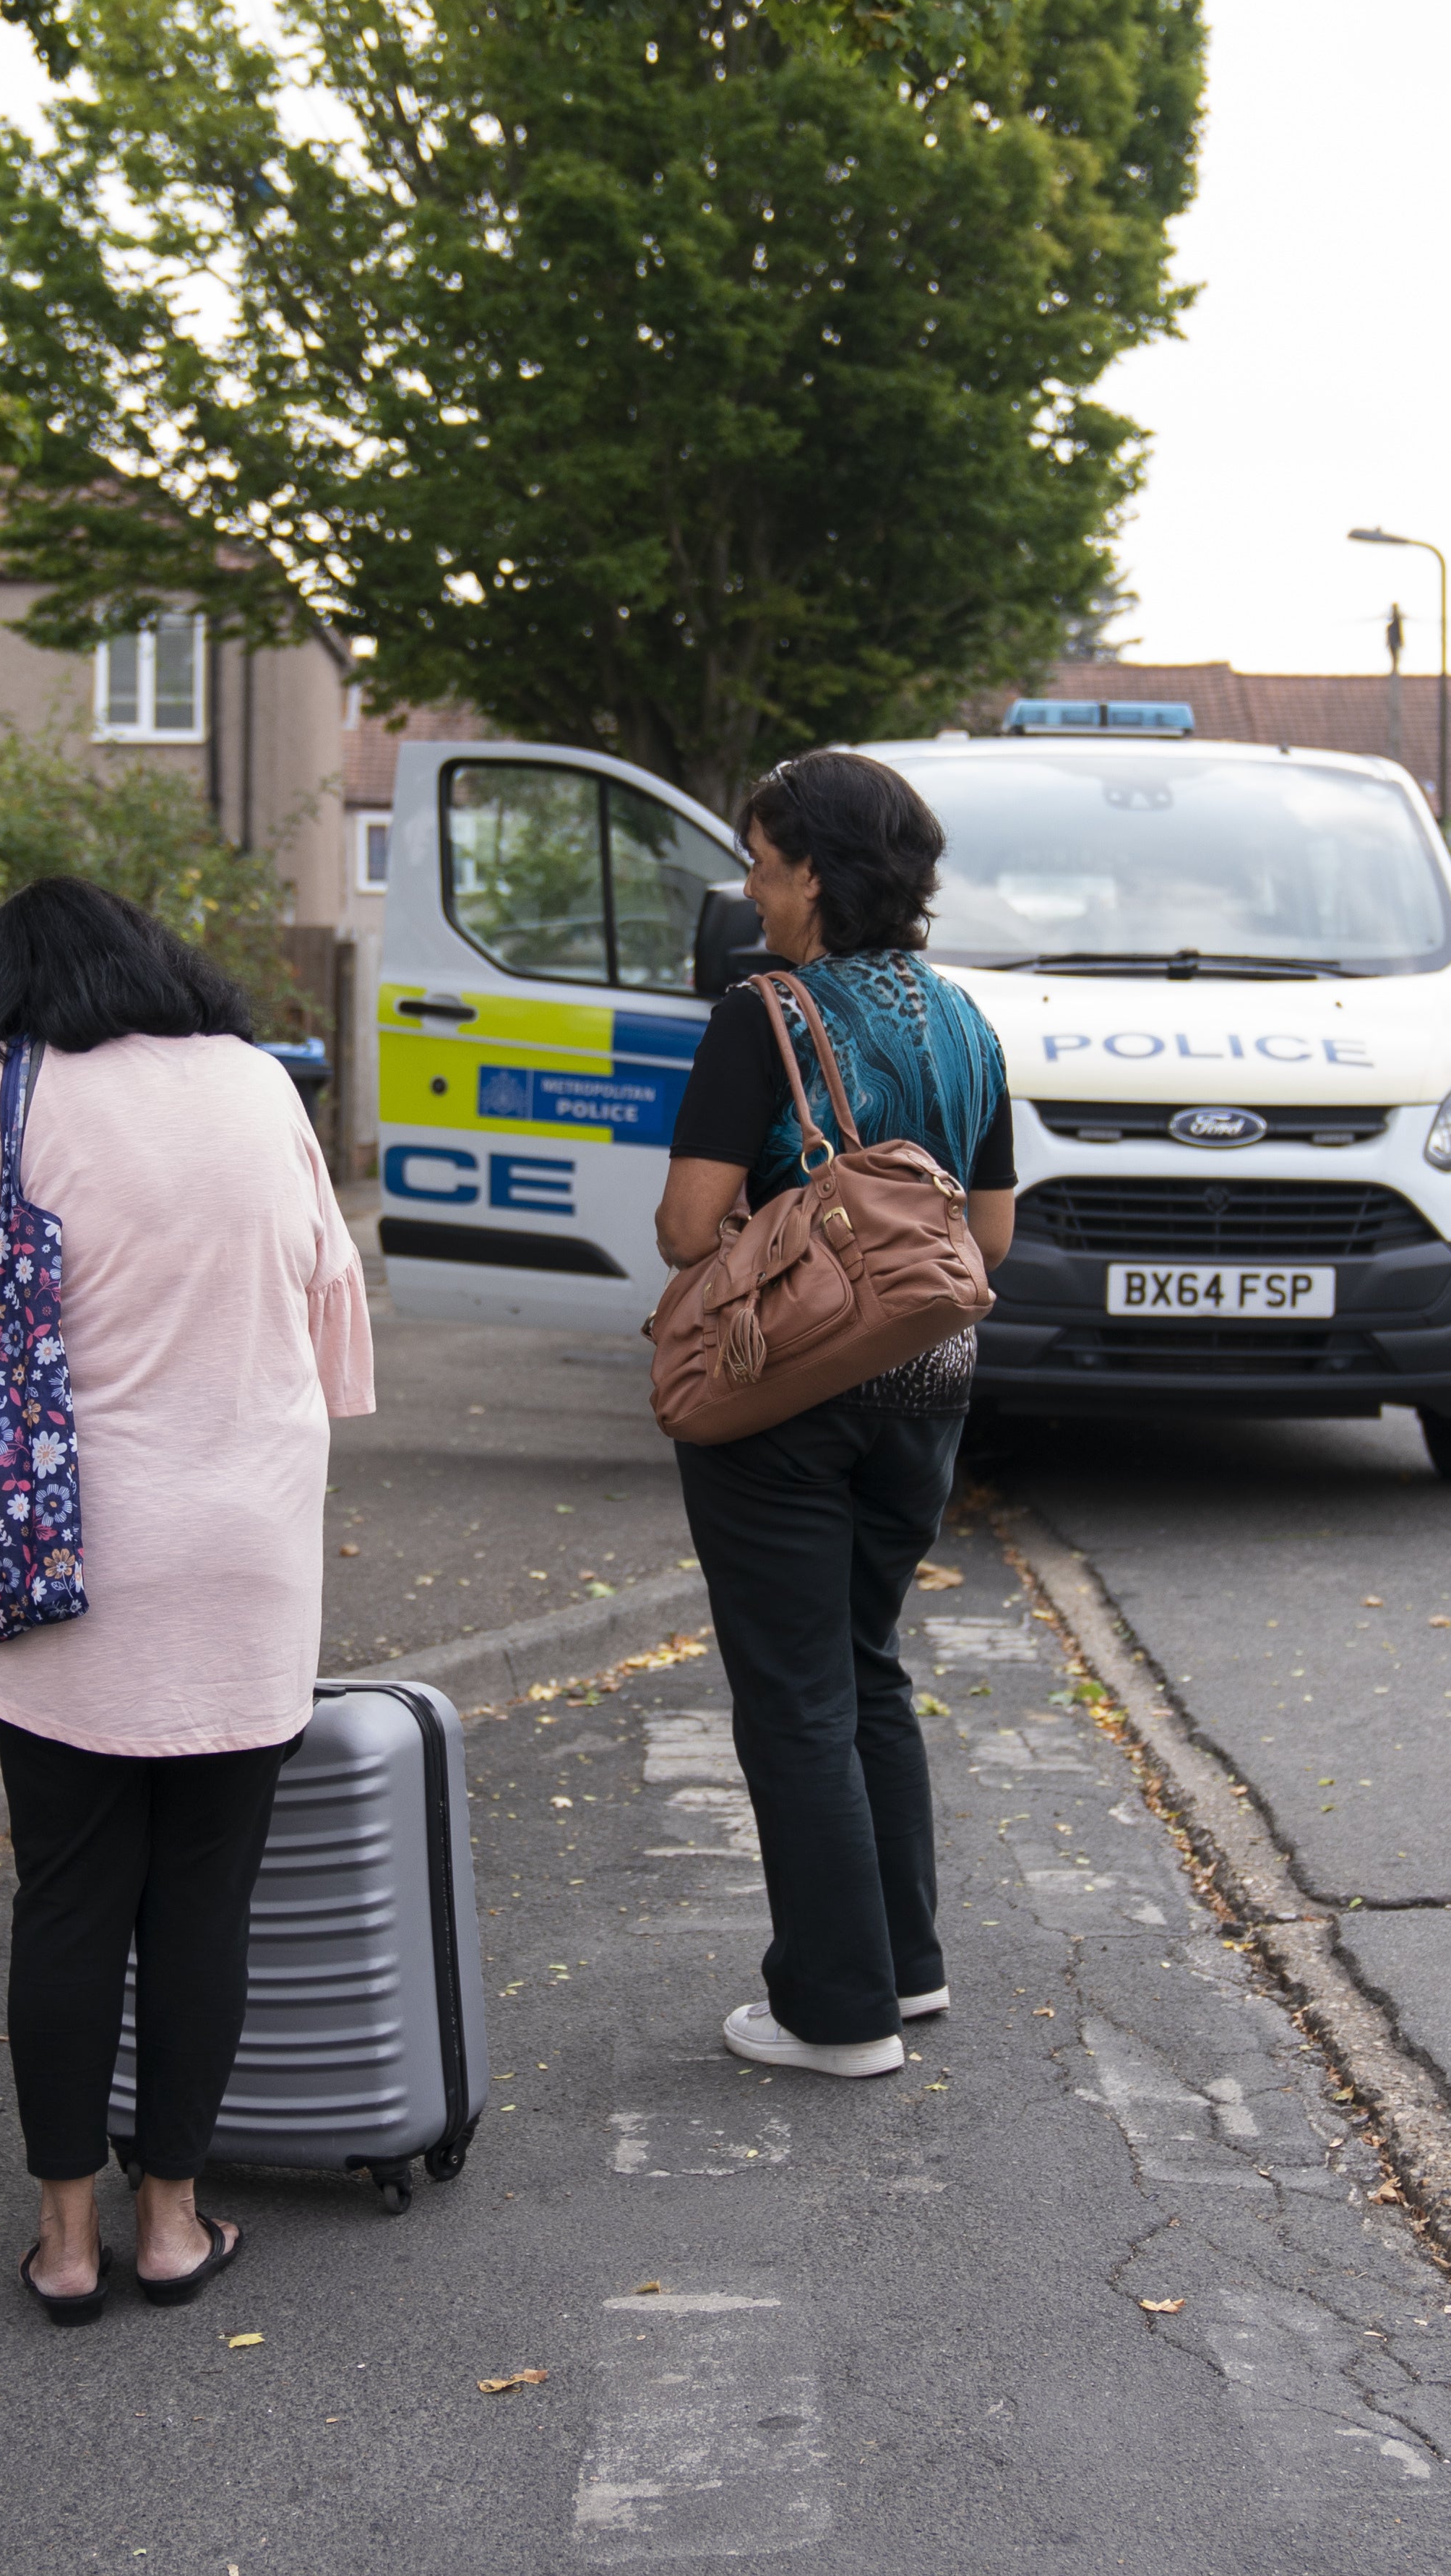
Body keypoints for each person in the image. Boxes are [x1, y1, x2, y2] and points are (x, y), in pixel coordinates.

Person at [0, 877, 373, 2323]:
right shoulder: (256, 1081)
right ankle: (173, 2221)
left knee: (74, 1895)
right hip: (247, 1544)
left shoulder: (15, 1081)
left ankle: (65, 2238)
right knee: (206, 1896)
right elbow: (329, 1285)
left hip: (68, 1546)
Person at [655, 751, 1013, 2079]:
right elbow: (989, 1236)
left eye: (761, 863)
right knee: (867, 1667)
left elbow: (692, 1226)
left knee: (793, 1696)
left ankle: (836, 2010)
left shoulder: (767, 1012)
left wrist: (780, 1226)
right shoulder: (970, 1023)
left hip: (781, 1396)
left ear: (815, 871)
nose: (749, 892)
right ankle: (905, 1967)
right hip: (926, 1394)